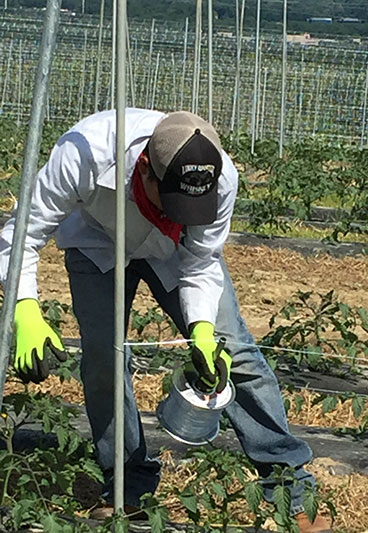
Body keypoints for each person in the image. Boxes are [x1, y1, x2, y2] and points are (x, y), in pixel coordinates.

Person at [0, 109, 332, 532]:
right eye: (173, 201)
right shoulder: (86, 151)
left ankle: (292, 492)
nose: (181, 211)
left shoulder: (221, 176)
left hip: (176, 253)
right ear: (146, 171)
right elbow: (23, 233)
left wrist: (202, 330)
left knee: (236, 353)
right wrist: (25, 309)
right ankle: (127, 489)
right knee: (103, 362)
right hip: (97, 242)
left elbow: (201, 260)